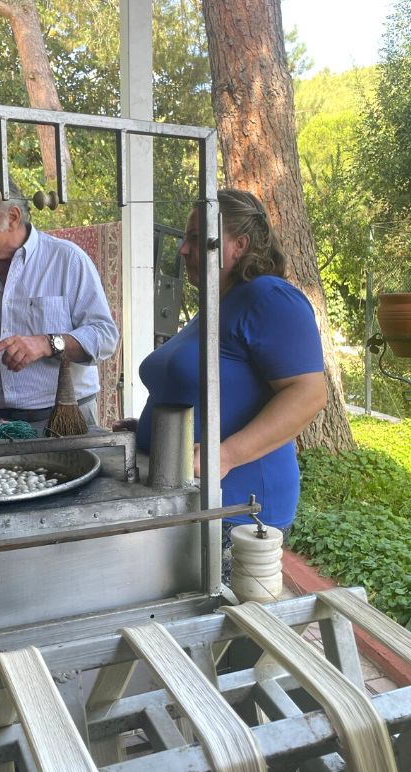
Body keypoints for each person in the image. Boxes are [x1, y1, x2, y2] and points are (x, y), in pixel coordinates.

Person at [124, 189, 326, 582]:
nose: (183, 249)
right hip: (194, 497)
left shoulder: (269, 297)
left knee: (228, 630)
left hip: (239, 506)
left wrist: (226, 455)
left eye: (196, 237)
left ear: (239, 245)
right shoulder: (218, 306)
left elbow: (308, 394)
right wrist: (150, 430)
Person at [0, 170, 119, 434]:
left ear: (12, 218)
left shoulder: (67, 261)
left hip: (62, 422)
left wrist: (48, 343)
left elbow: (105, 337)